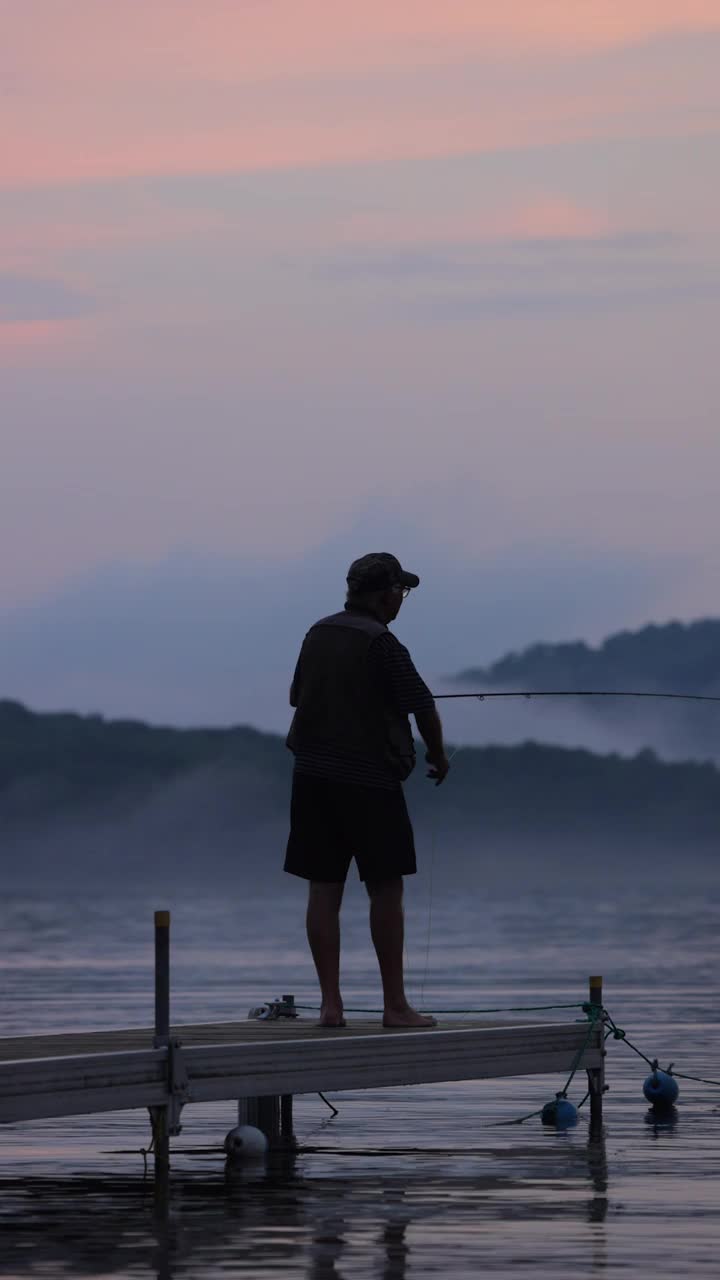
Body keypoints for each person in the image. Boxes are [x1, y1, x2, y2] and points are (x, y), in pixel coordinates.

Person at [284, 552, 450, 1028]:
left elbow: (298, 696)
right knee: (385, 888)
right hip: (370, 782)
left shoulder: (318, 633)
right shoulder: (384, 644)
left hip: (312, 778)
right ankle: (395, 1007)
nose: (402, 600)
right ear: (384, 594)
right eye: (401, 591)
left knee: (323, 888)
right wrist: (438, 756)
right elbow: (423, 708)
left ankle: (330, 1006)